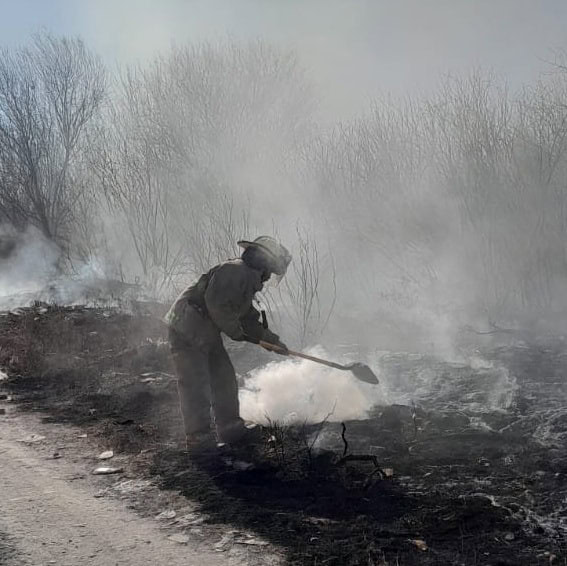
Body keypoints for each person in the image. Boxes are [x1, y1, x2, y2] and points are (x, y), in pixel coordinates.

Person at [165, 236, 291, 452]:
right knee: (195, 383)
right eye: (271, 271)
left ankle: (231, 429)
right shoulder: (234, 271)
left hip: (205, 330)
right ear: (264, 265)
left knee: (223, 378)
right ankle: (199, 439)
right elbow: (218, 306)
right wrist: (237, 332)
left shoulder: (245, 279)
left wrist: (271, 341)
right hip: (187, 327)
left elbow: (246, 317)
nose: (269, 278)